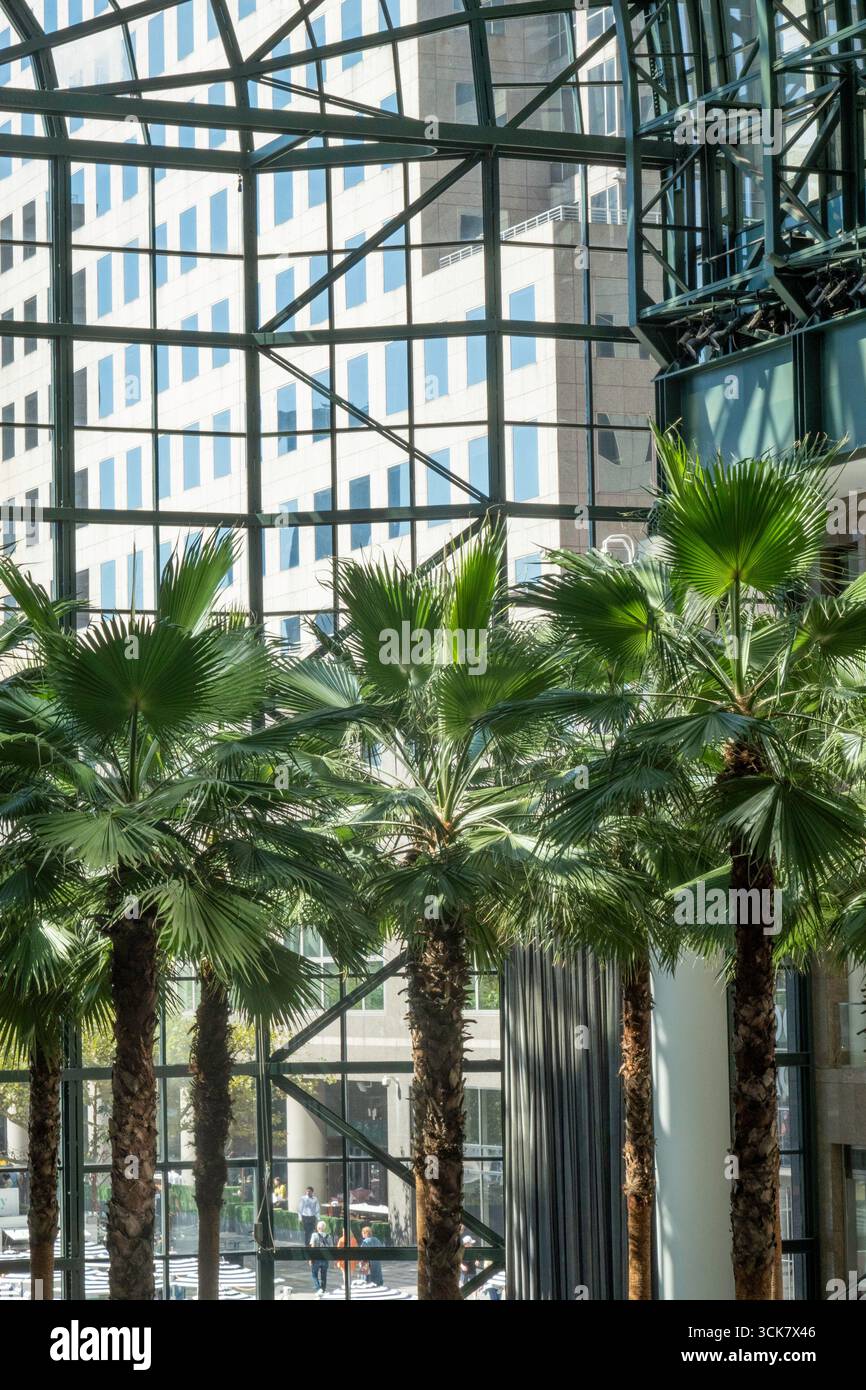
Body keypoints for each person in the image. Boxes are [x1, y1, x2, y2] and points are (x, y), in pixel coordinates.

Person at [309, 1221, 332, 1297]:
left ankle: (319, 1289)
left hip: (316, 1258)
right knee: (324, 1275)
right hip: (325, 1259)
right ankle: (323, 1289)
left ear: (318, 1228)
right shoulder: (328, 1236)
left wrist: (311, 1258)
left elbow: (312, 1246)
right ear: (324, 1228)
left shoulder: (314, 1235)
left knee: (314, 1274)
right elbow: (331, 1248)